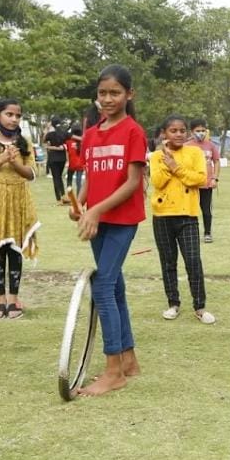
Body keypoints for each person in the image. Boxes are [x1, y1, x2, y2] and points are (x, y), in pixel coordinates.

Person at [69, 64, 147, 396]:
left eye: (115, 93)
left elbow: (132, 183)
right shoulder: (91, 134)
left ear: (129, 94)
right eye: (103, 93)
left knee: (102, 287)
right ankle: (129, 360)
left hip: (121, 220)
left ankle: (113, 370)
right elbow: (90, 177)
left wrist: (96, 210)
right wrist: (79, 203)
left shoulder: (133, 132)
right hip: (98, 220)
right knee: (113, 287)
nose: (108, 99)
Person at [0, 98, 40, 319]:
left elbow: (32, 174)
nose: (13, 119)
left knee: (15, 249)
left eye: (17, 115)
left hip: (18, 200)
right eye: (9, 114)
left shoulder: (25, 143)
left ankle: (13, 299)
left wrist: (15, 164)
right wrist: (1, 159)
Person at [150, 114, 215, 324]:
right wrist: (166, 159)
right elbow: (158, 182)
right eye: (173, 131)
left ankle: (200, 306)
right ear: (164, 134)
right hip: (162, 215)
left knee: (193, 261)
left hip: (187, 215)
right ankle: (173, 303)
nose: (178, 134)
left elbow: (199, 179)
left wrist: (175, 165)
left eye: (182, 130)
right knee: (168, 262)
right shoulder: (155, 156)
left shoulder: (195, 152)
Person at [187, 118, 220, 243]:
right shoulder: (187, 146)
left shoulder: (210, 145)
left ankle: (207, 233)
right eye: (197, 130)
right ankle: (191, 233)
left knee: (206, 209)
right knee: (191, 210)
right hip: (192, 184)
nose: (201, 133)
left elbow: (216, 161)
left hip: (207, 184)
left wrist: (215, 178)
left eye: (203, 130)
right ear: (191, 132)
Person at [43, 118, 67, 204]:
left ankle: (58, 199)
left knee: (56, 178)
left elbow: (44, 140)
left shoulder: (50, 134)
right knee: (59, 177)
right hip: (62, 158)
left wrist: (46, 129)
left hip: (53, 158)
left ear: (52, 124)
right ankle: (63, 195)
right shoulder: (63, 133)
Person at [64, 126, 84, 196]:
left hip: (72, 164)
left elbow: (67, 151)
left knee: (69, 180)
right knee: (79, 182)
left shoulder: (68, 142)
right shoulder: (83, 142)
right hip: (81, 164)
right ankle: (78, 197)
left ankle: (69, 196)